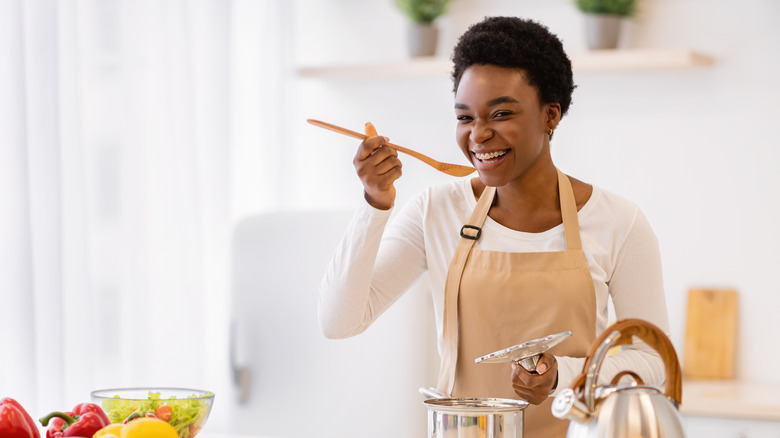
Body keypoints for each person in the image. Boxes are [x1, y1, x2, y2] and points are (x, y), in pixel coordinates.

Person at [319, 16, 670, 437]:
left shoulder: (618, 221)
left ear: (550, 115)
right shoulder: (436, 210)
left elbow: (655, 363)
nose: (478, 135)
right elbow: (340, 322)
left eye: (501, 113)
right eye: (465, 117)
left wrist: (563, 373)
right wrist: (375, 203)